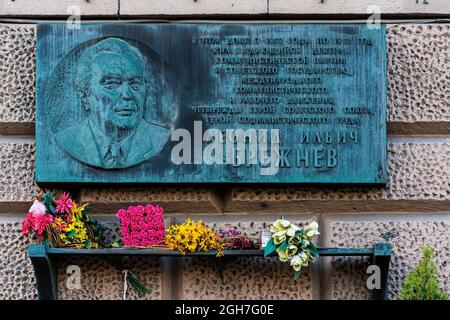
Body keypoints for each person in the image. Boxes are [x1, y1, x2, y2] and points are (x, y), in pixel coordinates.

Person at [55, 37, 170, 169]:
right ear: (85, 95)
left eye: (135, 83)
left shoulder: (163, 140)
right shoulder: (67, 141)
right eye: (112, 84)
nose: (127, 95)